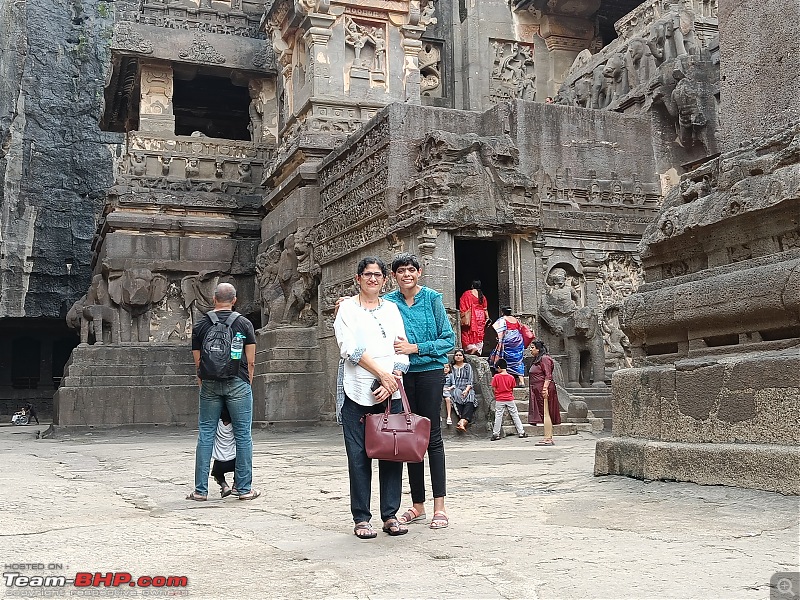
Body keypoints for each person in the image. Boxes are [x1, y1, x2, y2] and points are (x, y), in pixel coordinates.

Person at [334, 257, 410, 539]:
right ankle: (361, 517)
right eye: (367, 275)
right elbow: (350, 348)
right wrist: (382, 373)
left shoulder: (391, 309)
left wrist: (394, 379)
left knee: (392, 452)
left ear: (384, 280)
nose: (373, 279)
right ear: (358, 279)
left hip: (389, 391)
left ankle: (390, 515)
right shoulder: (347, 310)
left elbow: (401, 348)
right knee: (358, 456)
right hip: (356, 389)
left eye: (378, 275)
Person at [387, 253, 455, 530]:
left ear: (419, 272)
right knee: (410, 438)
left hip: (429, 372)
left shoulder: (432, 298)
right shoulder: (388, 302)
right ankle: (418, 505)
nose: (407, 275)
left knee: (432, 436)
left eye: (411, 270)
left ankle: (440, 505)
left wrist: (417, 348)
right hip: (402, 373)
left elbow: (448, 339)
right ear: (394, 276)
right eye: (401, 270)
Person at [188, 282, 259, 501]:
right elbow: (251, 361)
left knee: (206, 434)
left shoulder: (201, 325)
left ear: (213, 299)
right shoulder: (244, 324)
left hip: (209, 384)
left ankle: (200, 491)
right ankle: (244, 489)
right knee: (243, 435)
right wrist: (247, 383)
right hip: (238, 382)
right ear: (234, 300)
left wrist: (203, 384)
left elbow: (198, 361)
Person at [528, 340, 561, 446]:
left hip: (544, 388)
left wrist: (545, 388)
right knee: (543, 412)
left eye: (532, 347)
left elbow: (548, 375)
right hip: (537, 389)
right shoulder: (537, 360)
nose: (530, 349)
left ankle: (548, 438)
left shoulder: (545, 359)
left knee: (546, 412)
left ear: (538, 349)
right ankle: (547, 436)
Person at [490, 359, 528, 440]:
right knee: (515, 415)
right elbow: (512, 387)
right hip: (509, 398)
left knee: (498, 416)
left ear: (499, 367)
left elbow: (493, 388)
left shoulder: (496, 377)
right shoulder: (511, 377)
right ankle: (521, 432)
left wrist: (496, 394)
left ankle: (495, 434)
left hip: (499, 398)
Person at [489, 307, 525, 385]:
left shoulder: (502, 319)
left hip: (508, 340)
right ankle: (521, 381)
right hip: (518, 340)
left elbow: (496, 328)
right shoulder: (516, 320)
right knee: (518, 361)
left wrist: (498, 338)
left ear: (502, 312)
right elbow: (520, 328)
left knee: (506, 359)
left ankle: (506, 380)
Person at [211, 406, 236, 498]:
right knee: (239, 470)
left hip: (220, 460)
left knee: (217, 474)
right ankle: (235, 486)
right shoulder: (235, 426)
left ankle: (224, 486)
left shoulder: (217, 425)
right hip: (233, 458)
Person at [451, 349, 477, 432]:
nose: (458, 357)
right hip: (456, 388)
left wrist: (466, 390)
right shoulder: (451, 367)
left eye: (460, 355)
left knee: (470, 397)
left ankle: (462, 422)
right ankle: (463, 422)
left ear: (463, 357)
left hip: (467, 387)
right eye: (456, 355)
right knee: (456, 395)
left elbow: (470, 380)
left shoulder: (467, 366)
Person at [459, 280, 488, 355]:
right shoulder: (482, 296)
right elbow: (485, 308)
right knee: (479, 333)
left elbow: (463, 304)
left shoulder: (467, 294)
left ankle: (471, 347)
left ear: (472, 285)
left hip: (472, 315)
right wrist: (487, 318)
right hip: (481, 316)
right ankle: (478, 349)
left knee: (468, 332)